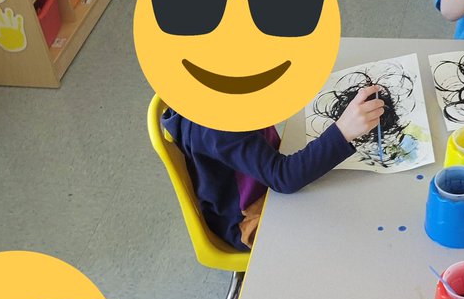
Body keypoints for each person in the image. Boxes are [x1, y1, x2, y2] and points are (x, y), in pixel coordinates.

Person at [162, 85, 385, 250]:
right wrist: (343, 131)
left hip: (264, 172)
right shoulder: (217, 127)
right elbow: (284, 177)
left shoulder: (211, 92)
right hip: (250, 217)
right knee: (349, 235)